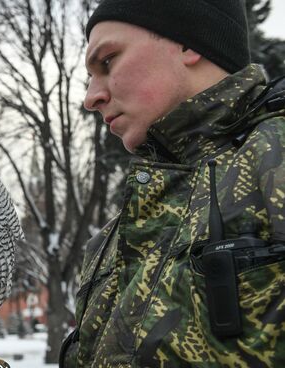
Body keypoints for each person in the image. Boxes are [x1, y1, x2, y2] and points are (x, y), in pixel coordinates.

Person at [60, 0, 285, 366]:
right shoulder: (111, 240)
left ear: (189, 43)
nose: (91, 98)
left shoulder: (276, 153)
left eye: (107, 61)